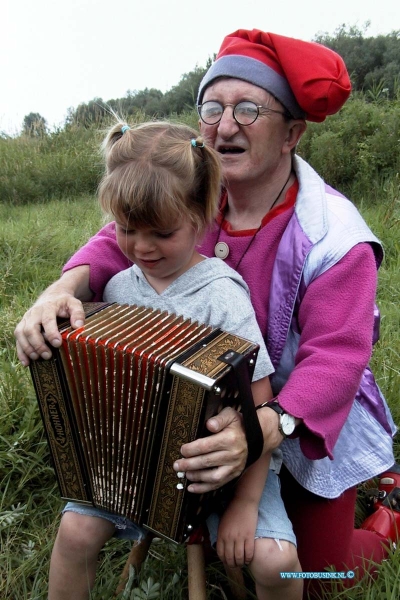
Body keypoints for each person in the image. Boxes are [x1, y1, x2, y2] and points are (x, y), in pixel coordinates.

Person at [15, 29, 396, 597]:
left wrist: (256, 430)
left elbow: (336, 361)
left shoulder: (335, 237)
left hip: (298, 415)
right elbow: (114, 243)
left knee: (314, 576)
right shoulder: (191, 194)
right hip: (202, 424)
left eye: (248, 108)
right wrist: (56, 291)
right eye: (212, 108)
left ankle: (387, 515)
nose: (224, 124)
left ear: (293, 131)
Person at [42, 120, 302, 600]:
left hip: (225, 471)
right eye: (125, 230)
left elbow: (260, 405)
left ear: (201, 219)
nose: (141, 247)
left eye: (161, 233)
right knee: (74, 534)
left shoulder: (223, 297)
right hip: (132, 464)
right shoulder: (118, 288)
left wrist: (245, 504)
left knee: (279, 563)